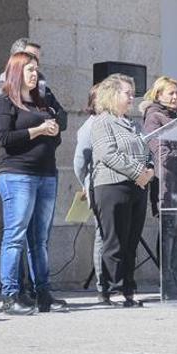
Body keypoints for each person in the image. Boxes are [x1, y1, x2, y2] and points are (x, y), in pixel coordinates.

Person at [0, 38, 67, 307]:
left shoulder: (42, 102)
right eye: (29, 70)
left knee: (40, 238)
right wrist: (38, 130)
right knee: (15, 234)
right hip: (17, 174)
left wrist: (53, 131)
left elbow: (61, 121)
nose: (35, 75)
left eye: (36, 70)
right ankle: (10, 294)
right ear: (16, 72)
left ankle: (42, 292)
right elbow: (4, 137)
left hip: (46, 174)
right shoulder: (5, 101)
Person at [91, 74, 154, 307]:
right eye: (127, 93)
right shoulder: (103, 121)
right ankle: (111, 288)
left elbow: (147, 150)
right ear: (112, 94)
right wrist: (139, 171)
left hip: (137, 187)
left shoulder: (132, 123)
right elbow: (108, 154)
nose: (131, 98)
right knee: (114, 240)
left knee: (131, 241)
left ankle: (128, 288)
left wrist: (150, 168)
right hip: (112, 186)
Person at [140, 76, 177, 298]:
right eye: (170, 93)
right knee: (168, 234)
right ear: (158, 95)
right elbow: (159, 151)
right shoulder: (153, 116)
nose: (176, 97)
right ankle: (167, 281)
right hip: (166, 185)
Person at [72, 86, 107, 303]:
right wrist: (86, 181)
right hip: (98, 185)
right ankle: (103, 284)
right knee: (102, 236)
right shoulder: (90, 126)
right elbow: (79, 162)